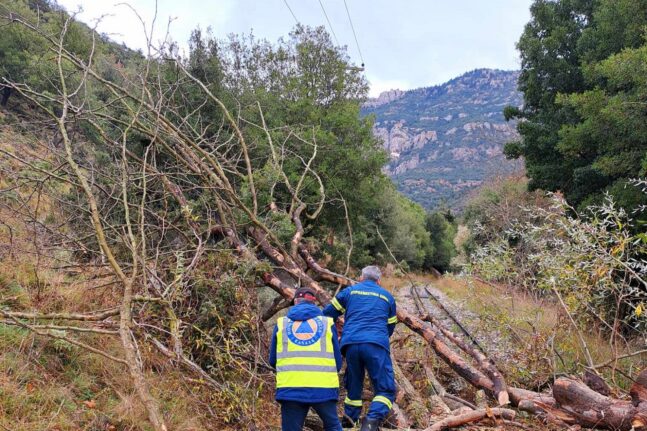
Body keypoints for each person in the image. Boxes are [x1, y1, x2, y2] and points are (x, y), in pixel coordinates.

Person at [323, 266, 397, 431]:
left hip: (350, 345)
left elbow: (327, 315)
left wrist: (337, 335)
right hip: (376, 344)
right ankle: (369, 425)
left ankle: (349, 423)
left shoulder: (350, 292)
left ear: (361, 278)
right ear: (379, 281)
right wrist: (378, 339)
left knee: (354, 387)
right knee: (386, 390)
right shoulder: (387, 296)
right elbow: (390, 327)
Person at [269, 286, 343, 431]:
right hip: (324, 388)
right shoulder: (327, 323)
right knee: (333, 427)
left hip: (291, 389)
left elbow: (273, 361)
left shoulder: (282, 324)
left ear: (295, 301)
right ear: (314, 302)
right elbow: (337, 363)